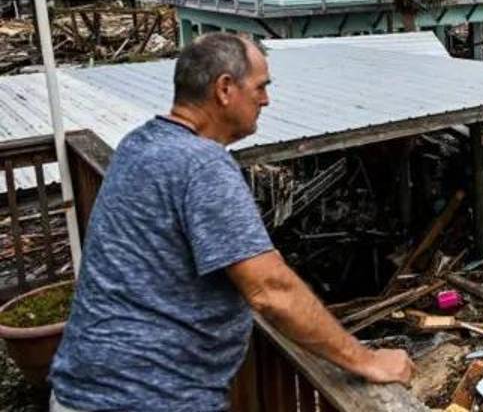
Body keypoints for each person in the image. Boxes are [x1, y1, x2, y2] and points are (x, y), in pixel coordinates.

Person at [49, 33, 413, 411]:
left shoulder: (138, 145)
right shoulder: (202, 164)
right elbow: (271, 290)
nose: (266, 100)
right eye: (260, 87)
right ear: (225, 88)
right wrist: (367, 360)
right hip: (146, 398)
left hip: (83, 388)